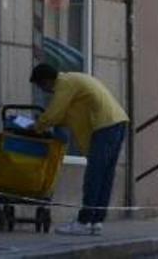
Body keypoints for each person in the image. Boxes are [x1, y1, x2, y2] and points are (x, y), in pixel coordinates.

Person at [30, 63, 129, 236]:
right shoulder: (73, 82)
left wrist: (36, 126)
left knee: (94, 176)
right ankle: (96, 221)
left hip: (105, 126)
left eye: (40, 86)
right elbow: (65, 116)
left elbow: (54, 112)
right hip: (117, 122)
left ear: (46, 81)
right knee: (105, 176)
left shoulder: (64, 84)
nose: (43, 91)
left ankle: (84, 221)